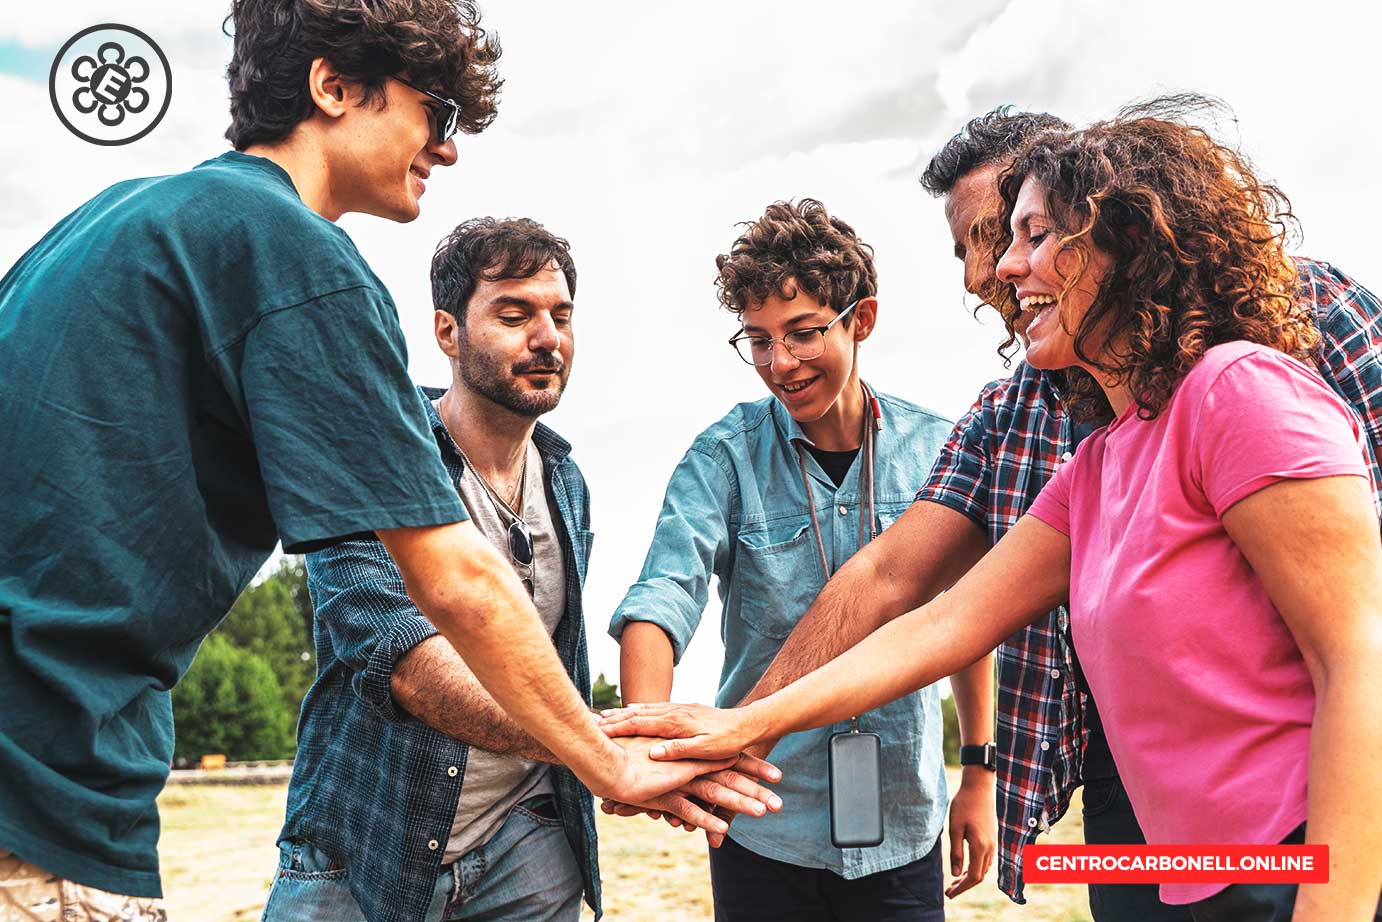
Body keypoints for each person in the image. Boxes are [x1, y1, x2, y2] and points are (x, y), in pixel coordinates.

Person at [0, 1, 742, 915]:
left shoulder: (114, 220)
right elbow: (454, 582)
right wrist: (608, 760)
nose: (449, 148)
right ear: (333, 86)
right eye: (437, 110)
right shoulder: (298, 257)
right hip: (43, 769)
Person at [599, 106, 1382, 920]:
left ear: (1125, 243)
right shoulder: (1097, 463)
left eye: (1031, 235)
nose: (998, 269)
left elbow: (1360, 659)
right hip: (1191, 863)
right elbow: (938, 618)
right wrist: (738, 729)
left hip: (1301, 862)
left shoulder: (1238, 386)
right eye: (992, 241)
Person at [258, 218, 779, 922]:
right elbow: (405, 663)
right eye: (514, 315)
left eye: (561, 316)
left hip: (527, 847)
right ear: (447, 332)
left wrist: (617, 751)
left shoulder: (566, 480)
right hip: (367, 844)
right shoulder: (371, 456)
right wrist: (601, 750)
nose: (547, 338)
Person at [608, 199, 996, 921]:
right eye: (758, 340)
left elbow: (968, 619)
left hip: (903, 826)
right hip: (763, 828)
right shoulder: (723, 457)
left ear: (861, 320)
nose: (780, 363)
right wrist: (647, 739)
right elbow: (662, 596)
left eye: (804, 333)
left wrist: (977, 770)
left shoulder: (939, 449)